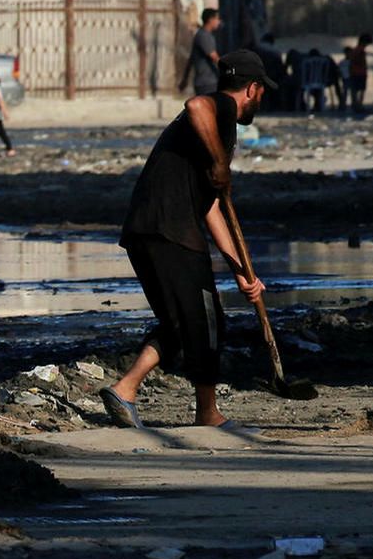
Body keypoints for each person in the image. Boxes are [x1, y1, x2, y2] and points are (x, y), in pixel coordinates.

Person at [101, 50, 274, 432]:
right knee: (207, 320)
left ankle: (125, 389)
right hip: (170, 229)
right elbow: (195, 103)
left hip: (147, 228)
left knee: (181, 323)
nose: (261, 102)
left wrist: (242, 270)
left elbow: (211, 206)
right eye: (263, 93)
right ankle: (207, 414)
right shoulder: (222, 109)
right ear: (253, 88)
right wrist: (218, 163)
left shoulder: (214, 127)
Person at [189, 9, 221, 96]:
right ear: (210, 19)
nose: (219, 22)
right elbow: (214, 56)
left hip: (208, 82)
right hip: (206, 83)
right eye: (217, 19)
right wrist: (230, 70)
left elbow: (190, 59)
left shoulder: (207, 35)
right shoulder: (203, 36)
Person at [344, 33, 373, 115]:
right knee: (359, 90)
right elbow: (358, 62)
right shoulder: (359, 51)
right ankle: (358, 106)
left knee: (356, 90)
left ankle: (356, 105)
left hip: (355, 73)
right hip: (359, 73)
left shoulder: (356, 50)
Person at [299, 48, 332, 115]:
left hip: (309, 83)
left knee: (306, 89)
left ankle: (309, 106)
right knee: (318, 92)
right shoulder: (324, 61)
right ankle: (319, 105)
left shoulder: (306, 62)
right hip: (321, 83)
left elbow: (304, 74)